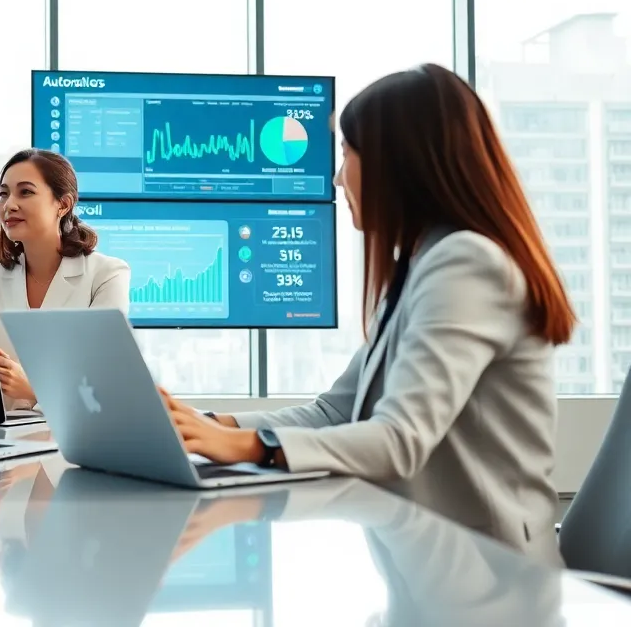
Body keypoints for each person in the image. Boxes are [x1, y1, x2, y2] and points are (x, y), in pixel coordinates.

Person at [158, 63, 575, 564]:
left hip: (489, 580)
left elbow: (399, 440)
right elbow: (334, 412)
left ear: (398, 163)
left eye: (345, 155)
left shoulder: (466, 263)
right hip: (431, 563)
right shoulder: (420, 265)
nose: (337, 178)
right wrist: (205, 425)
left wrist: (252, 447)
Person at [0, 149, 130, 408]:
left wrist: (33, 387)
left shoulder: (106, 274)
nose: (9, 205)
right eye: (3, 193)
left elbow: (104, 382)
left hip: (78, 436)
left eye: (25, 192)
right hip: (5, 436)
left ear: (63, 204)